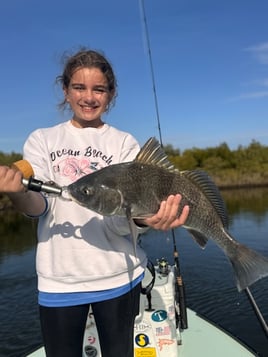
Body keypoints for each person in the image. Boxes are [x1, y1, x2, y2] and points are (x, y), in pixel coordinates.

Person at [0, 48, 189, 357]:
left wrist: (144, 220)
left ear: (110, 94)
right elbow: (40, 206)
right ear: (65, 90)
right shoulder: (42, 140)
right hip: (59, 282)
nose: (89, 97)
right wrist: (17, 192)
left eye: (99, 89)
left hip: (120, 277)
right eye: (79, 87)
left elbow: (123, 220)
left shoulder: (124, 143)